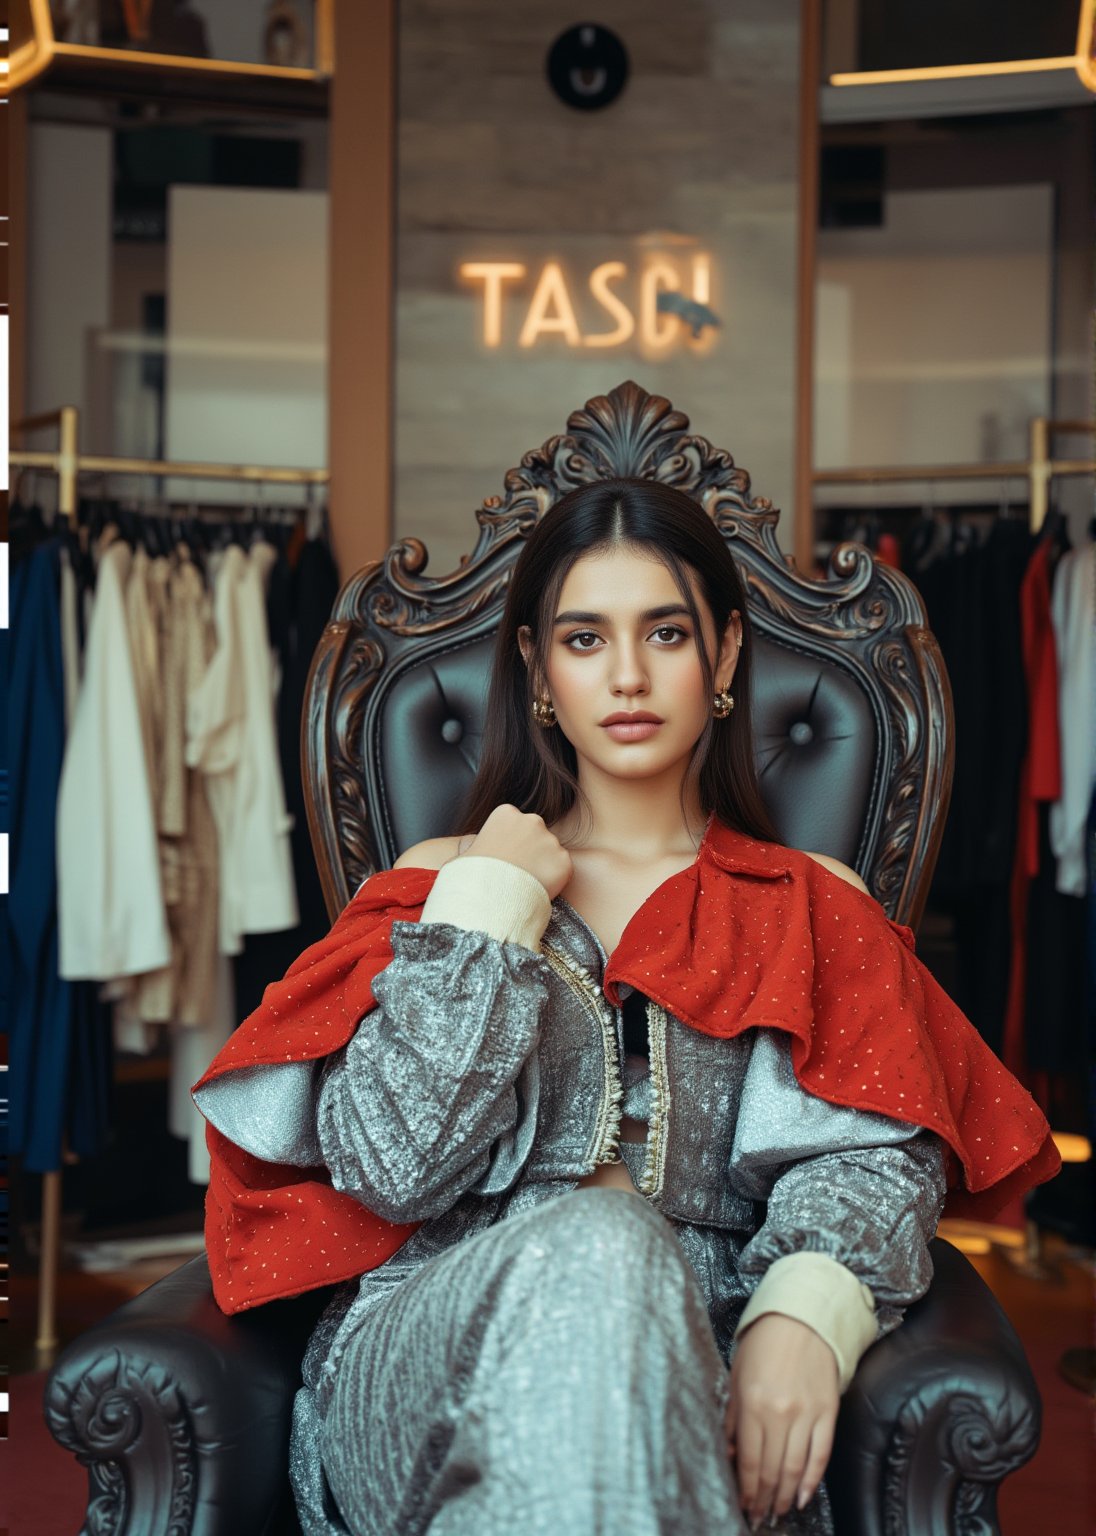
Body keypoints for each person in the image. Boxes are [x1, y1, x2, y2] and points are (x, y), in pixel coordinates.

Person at [194, 478, 1058, 1536]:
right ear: (537, 669)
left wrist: (804, 1313)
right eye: (585, 638)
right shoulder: (446, 883)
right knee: (600, 1237)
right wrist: (488, 908)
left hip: (702, 1352)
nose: (630, 676)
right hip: (429, 1349)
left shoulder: (805, 900)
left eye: (664, 632)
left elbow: (873, 1159)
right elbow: (391, 1167)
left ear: (726, 656)